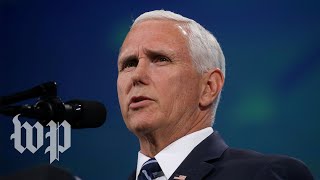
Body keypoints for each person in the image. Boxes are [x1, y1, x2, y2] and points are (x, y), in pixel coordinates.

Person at [117, 10, 314, 180]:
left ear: (209, 87)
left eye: (160, 59)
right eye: (129, 64)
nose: (137, 75)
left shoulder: (267, 174)